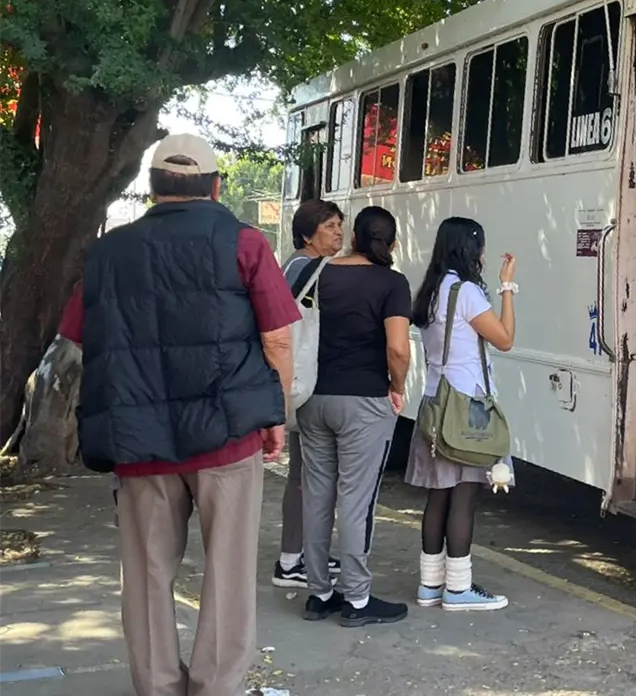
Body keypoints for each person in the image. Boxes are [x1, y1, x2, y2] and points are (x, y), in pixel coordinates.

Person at [57, 133, 298, 696]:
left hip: (138, 442)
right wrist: (274, 415)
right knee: (228, 574)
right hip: (227, 436)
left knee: (145, 576)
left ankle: (158, 687)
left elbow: (81, 336)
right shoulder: (244, 242)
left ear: (152, 188)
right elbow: (278, 339)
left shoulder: (108, 252)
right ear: (215, 187)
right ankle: (216, 688)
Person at [296, 205, 413, 627]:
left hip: (313, 398)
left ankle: (318, 593)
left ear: (353, 238)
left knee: (317, 495)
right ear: (392, 244)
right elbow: (397, 348)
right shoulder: (392, 282)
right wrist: (397, 386)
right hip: (363, 401)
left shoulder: (318, 272)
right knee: (356, 499)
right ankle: (357, 599)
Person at [406, 217, 517, 612]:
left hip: (434, 404)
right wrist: (507, 288)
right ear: (470, 248)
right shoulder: (466, 292)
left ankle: (430, 585)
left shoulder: (432, 290)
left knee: (438, 498)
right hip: (465, 408)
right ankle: (458, 588)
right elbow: (504, 339)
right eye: (481, 247)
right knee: (464, 498)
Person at [273, 198, 346, 589]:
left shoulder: (293, 265)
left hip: (298, 382)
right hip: (304, 383)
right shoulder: (308, 267)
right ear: (307, 234)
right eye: (329, 226)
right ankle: (292, 561)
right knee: (307, 475)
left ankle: (300, 554)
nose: (338, 232)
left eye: (339, 225)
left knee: (303, 473)